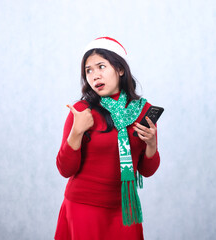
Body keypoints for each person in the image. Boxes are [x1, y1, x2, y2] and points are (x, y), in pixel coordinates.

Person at [55, 37, 160, 240]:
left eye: (101, 66)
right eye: (89, 70)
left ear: (120, 69)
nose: (94, 75)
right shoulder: (81, 111)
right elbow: (65, 169)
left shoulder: (142, 111)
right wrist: (76, 132)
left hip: (125, 210)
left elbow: (147, 171)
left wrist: (151, 145)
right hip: (83, 208)